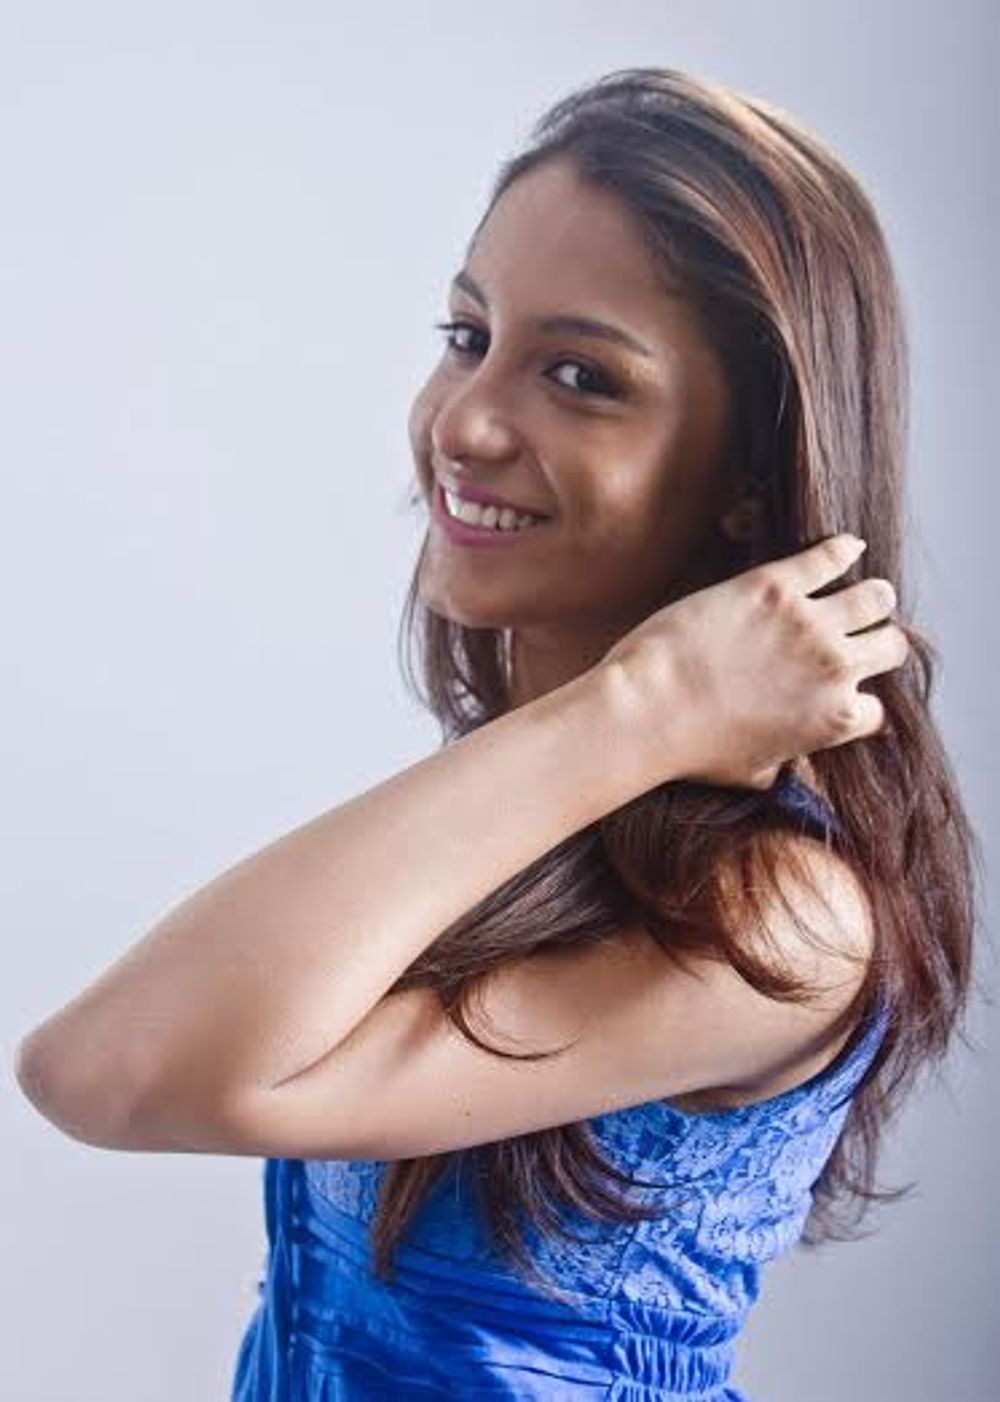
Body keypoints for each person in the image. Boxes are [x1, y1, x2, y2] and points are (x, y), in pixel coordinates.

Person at [15, 68, 978, 1400]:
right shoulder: (543, 797)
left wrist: (641, 706)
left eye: (581, 377)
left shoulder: (781, 916)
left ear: (754, 476)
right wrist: (616, 720)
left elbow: (110, 1072)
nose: (464, 422)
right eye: (468, 335)